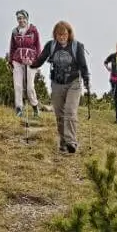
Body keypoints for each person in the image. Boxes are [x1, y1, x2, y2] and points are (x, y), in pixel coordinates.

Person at [30, 20, 90, 153]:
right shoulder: (51, 46)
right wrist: (31, 64)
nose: (62, 37)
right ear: (55, 35)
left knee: (70, 110)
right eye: (59, 35)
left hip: (73, 83)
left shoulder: (77, 46)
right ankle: (63, 142)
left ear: (69, 34)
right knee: (59, 114)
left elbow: (83, 65)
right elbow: (40, 59)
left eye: (64, 34)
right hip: (57, 83)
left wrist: (86, 81)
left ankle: (71, 142)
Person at [7, 9, 42, 118]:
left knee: (30, 87)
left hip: (30, 60)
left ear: (27, 19)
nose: (21, 20)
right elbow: (12, 47)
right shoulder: (14, 32)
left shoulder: (33, 30)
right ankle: (19, 109)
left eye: (23, 18)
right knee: (17, 85)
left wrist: (38, 60)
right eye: (19, 18)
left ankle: (35, 106)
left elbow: (38, 46)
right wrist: (10, 61)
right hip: (17, 60)